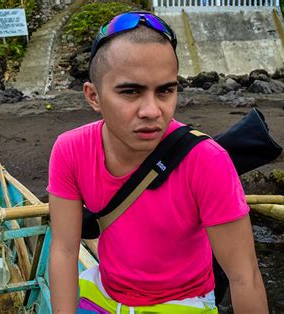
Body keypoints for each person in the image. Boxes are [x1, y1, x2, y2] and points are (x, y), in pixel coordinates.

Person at [47, 11, 268, 313]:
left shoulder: (206, 161)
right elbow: (63, 249)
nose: (152, 110)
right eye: (131, 91)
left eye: (165, 90)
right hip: (103, 291)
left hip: (182, 301)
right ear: (93, 96)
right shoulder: (70, 150)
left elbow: (245, 277)